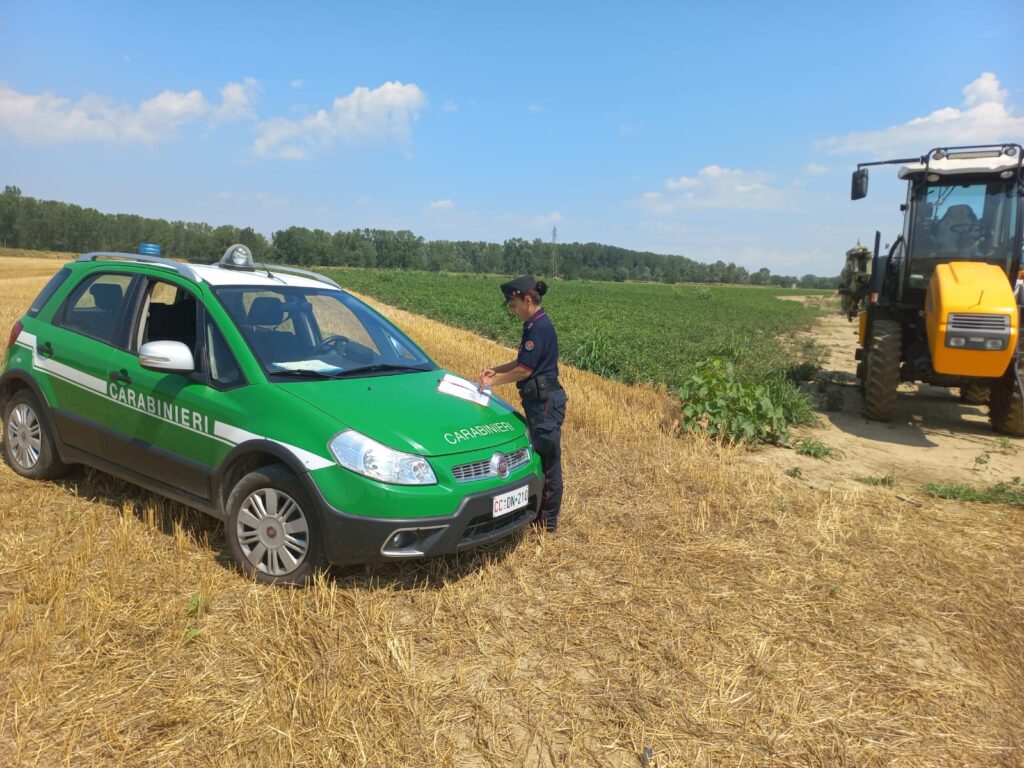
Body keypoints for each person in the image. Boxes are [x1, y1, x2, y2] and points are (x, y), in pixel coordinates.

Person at [479, 275, 567, 532]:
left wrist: (495, 382)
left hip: (545, 402)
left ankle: (546, 523)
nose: (512, 309)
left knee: (549, 462)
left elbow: (525, 370)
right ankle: (539, 514)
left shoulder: (539, 327)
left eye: (513, 304)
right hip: (540, 400)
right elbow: (520, 361)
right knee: (541, 455)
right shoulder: (533, 324)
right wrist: (494, 371)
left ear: (527, 299)